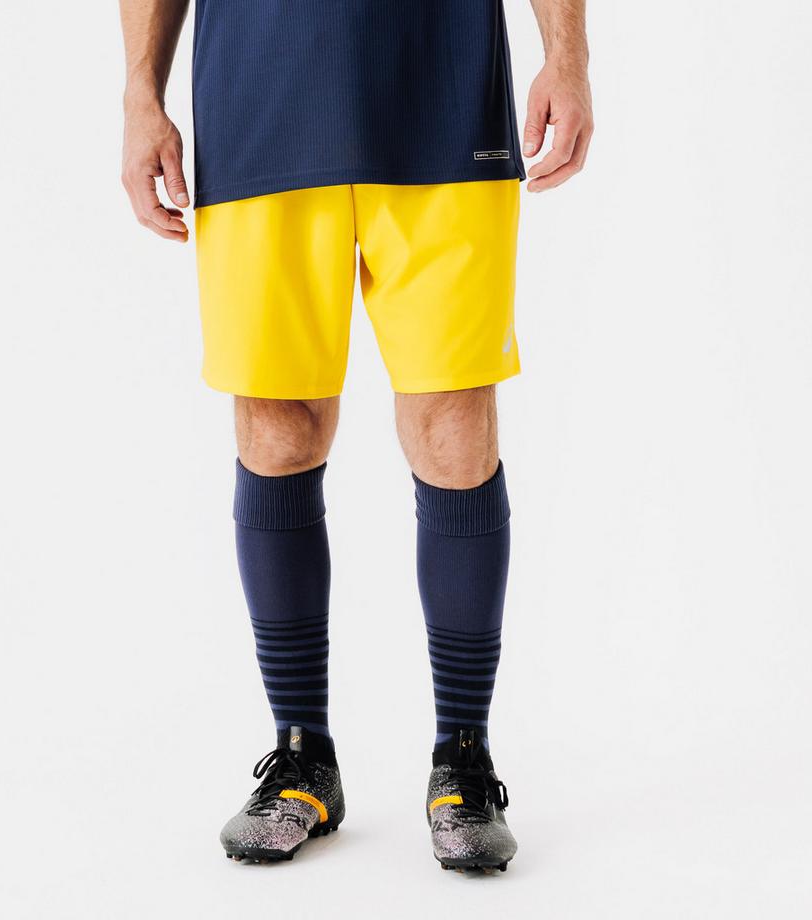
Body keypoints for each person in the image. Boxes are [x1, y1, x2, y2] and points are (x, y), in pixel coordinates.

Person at [119, 0, 593, 871]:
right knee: (276, 430)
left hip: (441, 93)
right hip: (258, 98)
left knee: (454, 429)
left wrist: (568, 55)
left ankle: (463, 758)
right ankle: (302, 757)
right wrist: (139, 93)